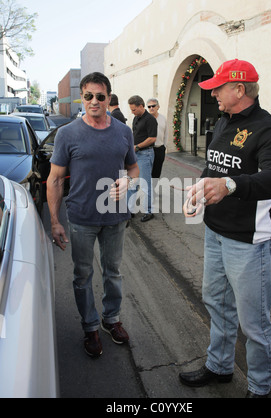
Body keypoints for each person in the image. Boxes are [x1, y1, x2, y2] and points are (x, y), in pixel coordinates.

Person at [179, 59, 271, 398]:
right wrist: (197, 192)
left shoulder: (268, 129)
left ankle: (259, 388)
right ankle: (220, 366)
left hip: (249, 242)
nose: (212, 95)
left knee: (254, 323)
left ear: (239, 89)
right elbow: (213, 166)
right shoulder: (223, 122)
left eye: (218, 89)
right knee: (217, 303)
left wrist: (230, 185)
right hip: (216, 232)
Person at [47, 72, 139, 358]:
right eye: (89, 96)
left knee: (114, 273)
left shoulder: (124, 131)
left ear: (108, 98)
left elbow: (133, 168)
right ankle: (89, 326)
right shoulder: (68, 133)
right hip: (82, 218)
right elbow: (55, 179)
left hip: (115, 217)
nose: (94, 101)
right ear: (82, 98)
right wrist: (54, 220)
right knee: (82, 275)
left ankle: (110, 320)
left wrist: (129, 181)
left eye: (100, 96)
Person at [128, 95, 157, 222]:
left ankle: (148, 211)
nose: (132, 112)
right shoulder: (136, 118)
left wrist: (137, 147)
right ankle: (129, 211)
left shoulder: (150, 119)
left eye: (133, 109)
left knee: (145, 184)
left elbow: (152, 138)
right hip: (136, 154)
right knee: (132, 184)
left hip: (145, 154)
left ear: (141, 106)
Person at [147, 98, 168, 188]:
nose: (151, 108)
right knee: (147, 171)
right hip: (148, 149)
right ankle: (146, 191)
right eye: (149, 106)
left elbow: (166, 134)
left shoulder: (163, 118)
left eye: (153, 106)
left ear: (158, 107)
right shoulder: (146, 119)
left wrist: (164, 146)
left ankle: (152, 190)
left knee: (156, 172)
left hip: (159, 149)